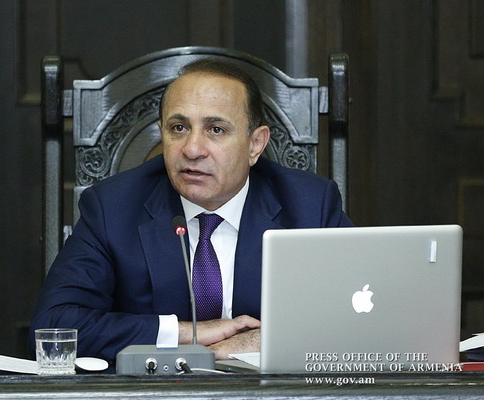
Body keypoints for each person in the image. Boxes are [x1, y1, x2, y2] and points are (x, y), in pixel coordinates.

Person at [29, 58, 352, 364]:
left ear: (255, 144)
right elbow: (53, 328)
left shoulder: (309, 205)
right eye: (179, 128)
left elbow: (358, 314)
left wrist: (264, 340)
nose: (192, 149)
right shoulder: (112, 207)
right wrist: (185, 334)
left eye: (216, 130)